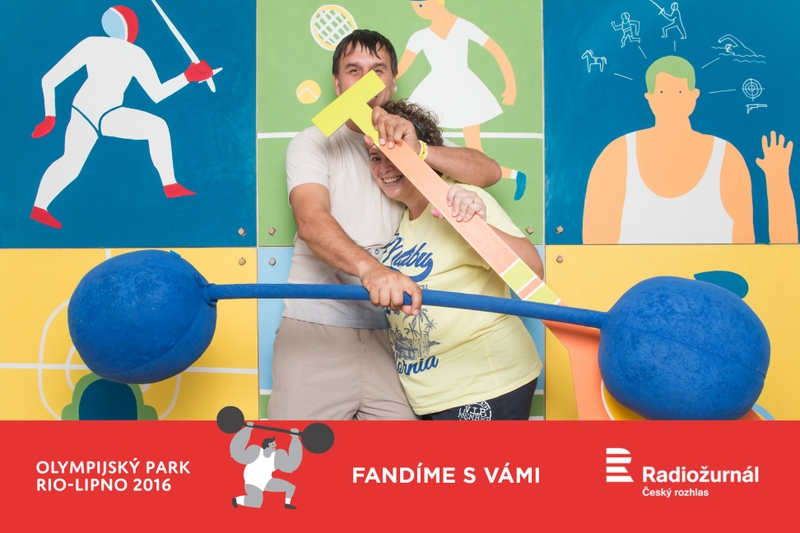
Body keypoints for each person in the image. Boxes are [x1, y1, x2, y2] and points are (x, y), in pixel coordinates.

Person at [270, 30, 501, 420]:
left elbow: (488, 171)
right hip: (315, 329)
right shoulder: (311, 143)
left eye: (378, 71)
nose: (366, 81)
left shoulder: (408, 142)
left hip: (398, 337)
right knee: (296, 455)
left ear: (393, 82)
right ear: (337, 84)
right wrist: (372, 270)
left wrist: (421, 151)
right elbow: (311, 220)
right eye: (354, 71)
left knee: (402, 457)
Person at [370, 99, 544, 420]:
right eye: (375, 157)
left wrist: (473, 227)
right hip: (431, 396)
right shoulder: (399, 220)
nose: (384, 168)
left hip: (486, 383)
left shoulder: (458, 198)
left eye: (394, 154)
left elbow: (533, 271)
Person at [30, 5, 214, 229]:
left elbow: (48, 80)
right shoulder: (133, 53)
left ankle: (170, 184)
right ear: (131, 28)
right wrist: (188, 76)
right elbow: (157, 94)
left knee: (72, 163)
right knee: (156, 128)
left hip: (93, 112)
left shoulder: (95, 44)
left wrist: (50, 117)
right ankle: (169, 184)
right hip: (95, 113)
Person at [583, 55, 797, 244]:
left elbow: (745, 244)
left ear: (693, 96)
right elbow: (593, 249)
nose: (671, 99)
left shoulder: (726, 158)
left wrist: (777, 178)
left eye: (679, 91)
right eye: (662, 92)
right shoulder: (617, 156)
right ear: (650, 98)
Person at [397, 0, 526, 200]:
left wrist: (511, 85)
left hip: (465, 92)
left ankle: (514, 175)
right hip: (436, 90)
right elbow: (400, 68)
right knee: (428, 144)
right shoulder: (419, 37)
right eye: (417, 5)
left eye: (423, 3)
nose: (420, 8)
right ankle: (513, 175)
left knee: (475, 152)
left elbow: (495, 50)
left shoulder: (463, 26)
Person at [230, 423, 301, 510]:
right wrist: (247, 430)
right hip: (253, 482)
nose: (275, 446)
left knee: (290, 487)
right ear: (267, 445)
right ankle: (236, 500)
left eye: (275, 444)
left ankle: (287, 504)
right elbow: (238, 452)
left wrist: (295, 438)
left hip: (266, 481)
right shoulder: (256, 452)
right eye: (273, 444)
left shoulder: (276, 457)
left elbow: (292, 464)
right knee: (256, 503)